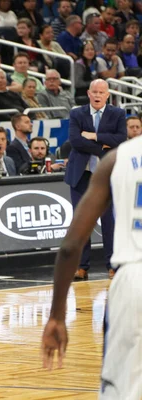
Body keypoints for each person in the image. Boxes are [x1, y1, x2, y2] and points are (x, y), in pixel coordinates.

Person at [41, 135, 142, 400]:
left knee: (121, 392)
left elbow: (71, 246)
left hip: (132, 278)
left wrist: (57, 316)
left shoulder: (116, 159)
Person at [65, 79, 126, 280]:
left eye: (102, 92)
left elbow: (120, 140)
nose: (98, 95)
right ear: (89, 94)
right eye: (94, 91)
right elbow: (75, 141)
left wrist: (93, 136)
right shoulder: (77, 113)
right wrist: (102, 147)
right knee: (82, 222)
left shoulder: (117, 113)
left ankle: (112, 265)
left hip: (106, 176)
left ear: (108, 95)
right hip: (81, 175)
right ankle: (81, 267)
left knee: (108, 222)